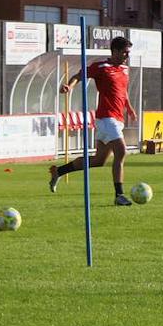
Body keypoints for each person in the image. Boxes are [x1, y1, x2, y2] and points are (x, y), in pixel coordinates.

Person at [49, 36, 138, 206]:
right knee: (121, 151)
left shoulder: (125, 70)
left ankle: (59, 171)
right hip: (106, 118)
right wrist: (70, 86)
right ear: (116, 51)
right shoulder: (101, 67)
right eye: (125, 52)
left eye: (128, 53)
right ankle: (119, 195)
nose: (127, 56)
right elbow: (79, 75)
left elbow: (122, 91)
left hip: (117, 119)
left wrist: (130, 108)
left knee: (98, 161)